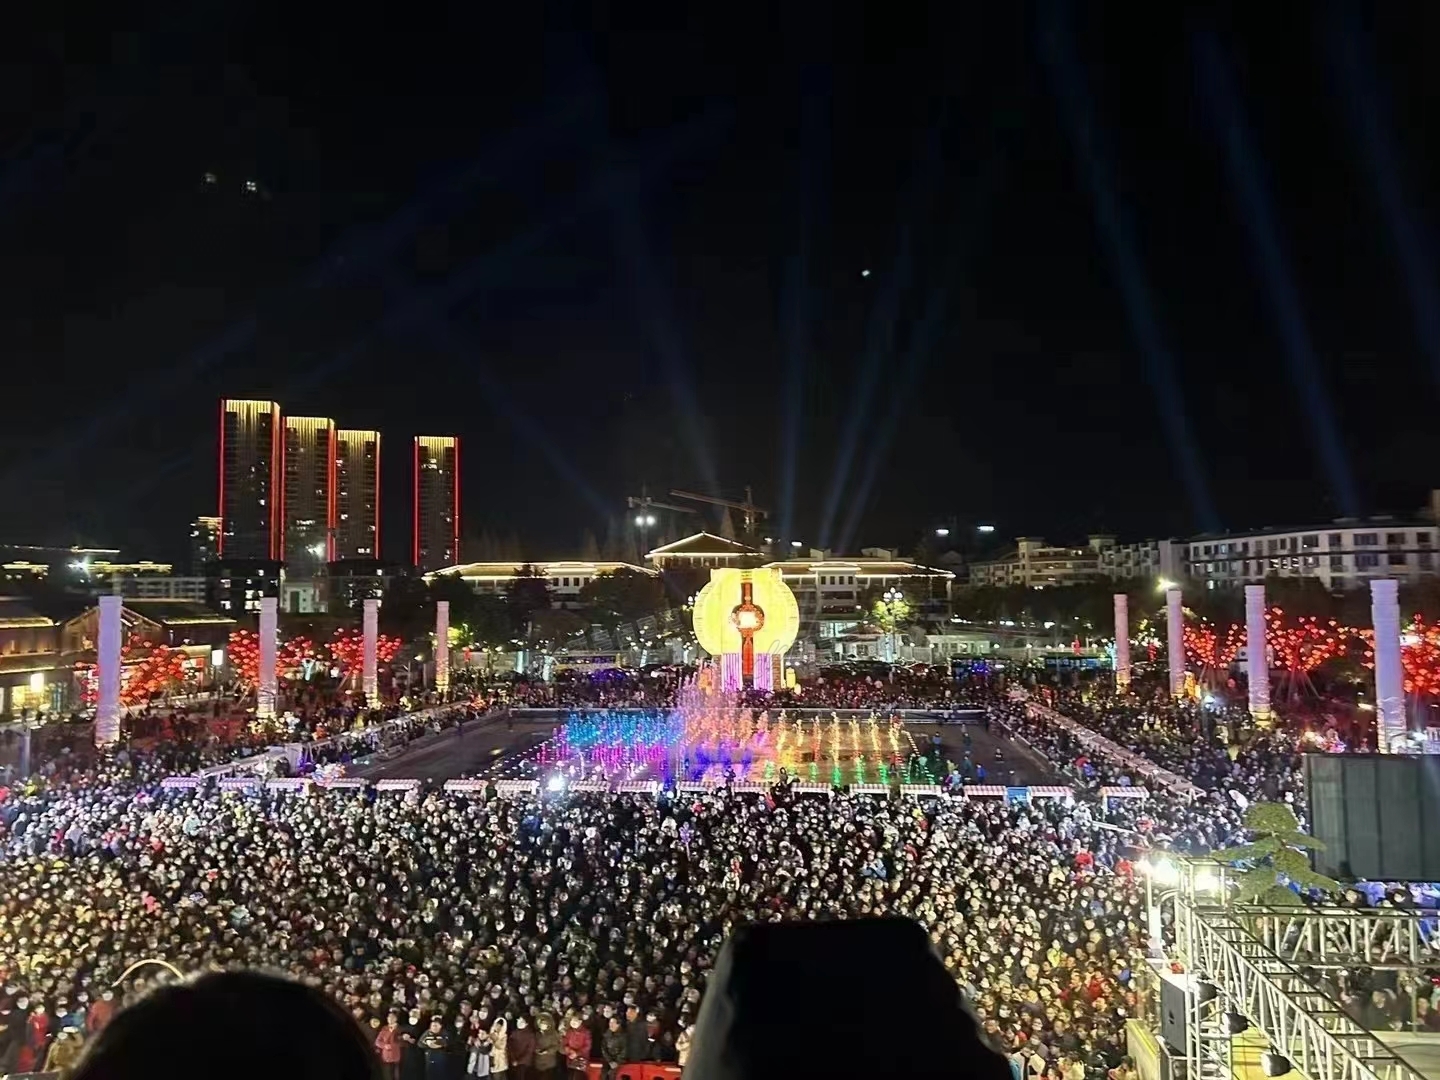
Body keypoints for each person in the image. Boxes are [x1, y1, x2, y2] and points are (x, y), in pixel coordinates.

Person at [377, 1011, 406, 1080]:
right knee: (388, 1075)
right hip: (387, 1057)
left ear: (396, 1019)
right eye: (389, 1017)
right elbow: (378, 1042)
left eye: (392, 1017)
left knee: (397, 1075)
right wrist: (384, 1045)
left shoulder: (400, 1029)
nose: (390, 1019)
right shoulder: (384, 1029)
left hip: (397, 1056)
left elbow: (403, 1042)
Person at [562, 1015, 591, 1080]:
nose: (573, 1022)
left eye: (575, 1021)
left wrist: (577, 1053)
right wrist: (570, 1051)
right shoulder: (569, 1031)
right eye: (572, 1021)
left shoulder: (586, 1032)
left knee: (578, 1076)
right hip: (570, 1057)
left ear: (580, 1022)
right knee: (570, 1076)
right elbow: (565, 1043)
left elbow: (587, 1046)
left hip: (582, 1059)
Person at [509, 1015, 536, 1080]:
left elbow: (529, 1051)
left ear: (526, 1024)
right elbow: (510, 1046)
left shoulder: (530, 1035)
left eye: (522, 1022)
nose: (519, 1023)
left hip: (523, 1063)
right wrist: (512, 1058)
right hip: (513, 1060)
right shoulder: (514, 1032)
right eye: (518, 1021)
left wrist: (518, 1061)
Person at [535, 1015, 560, 1080]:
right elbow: (534, 1043)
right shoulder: (537, 1034)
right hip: (538, 1061)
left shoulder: (553, 1034)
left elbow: (556, 1046)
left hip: (549, 1061)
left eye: (544, 1023)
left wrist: (547, 1051)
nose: (542, 1025)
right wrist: (536, 1049)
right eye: (541, 1023)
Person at [601, 1016, 626, 1080]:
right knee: (603, 1075)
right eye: (610, 1022)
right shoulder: (606, 1034)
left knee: (613, 1075)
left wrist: (617, 1062)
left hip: (619, 1061)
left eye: (613, 1023)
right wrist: (609, 1060)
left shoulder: (623, 1036)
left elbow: (624, 1050)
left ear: (618, 1024)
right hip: (608, 1060)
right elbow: (603, 1048)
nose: (611, 1024)